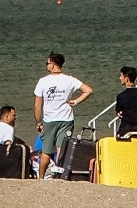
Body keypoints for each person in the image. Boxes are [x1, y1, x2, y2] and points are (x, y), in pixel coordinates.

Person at [34, 51, 93, 180]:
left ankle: (41, 177)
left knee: (46, 151)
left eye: (47, 63)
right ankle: (60, 176)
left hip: (50, 119)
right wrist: (76, 101)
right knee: (61, 149)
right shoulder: (69, 80)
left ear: (53, 65)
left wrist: (38, 122)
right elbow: (88, 90)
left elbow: (38, 105)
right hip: (66, 119)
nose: (46, 65)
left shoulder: (43, 81)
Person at [115, 65, 137, 186]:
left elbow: (118, 112)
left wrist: (120, 114)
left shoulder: (121, 96)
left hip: (126, 130)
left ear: (126, 78)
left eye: (121, 76)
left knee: (121, 158)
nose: (120, 78)